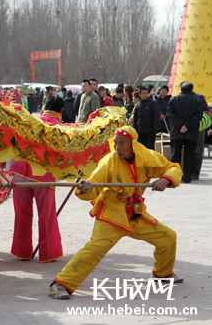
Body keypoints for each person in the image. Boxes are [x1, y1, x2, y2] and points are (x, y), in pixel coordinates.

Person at [49, 125, 183, 300]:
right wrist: (86, 187)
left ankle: (163, 275)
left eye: (122, 143)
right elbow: (93, 185)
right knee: (95, 249)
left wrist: (166, 179)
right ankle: (60, 284)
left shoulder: (147, 157)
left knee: (168, 237)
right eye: (115, 143)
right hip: (111, 215)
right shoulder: (109, 162)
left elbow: (173, 168)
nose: (117, 147)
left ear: (133, 144)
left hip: (135, 215)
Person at [7, 95, 65, 263]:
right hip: (43, 176)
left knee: (22, 214)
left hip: (19, 172)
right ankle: (48, 253)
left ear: (43, 106)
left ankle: (22, 252)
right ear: (61, 110)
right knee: (46, 215)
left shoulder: (28, 121)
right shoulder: (60, 128)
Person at [168, 82, 205, 183]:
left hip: (176, 132)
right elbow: (198, 116)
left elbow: (170, 114)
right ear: (191, 90)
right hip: (191, 132)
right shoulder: (197, 101)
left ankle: (173, 177)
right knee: (189, 155)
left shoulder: (173, 100)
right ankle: (187, 177)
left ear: (181, 89)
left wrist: (180, 125)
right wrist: (187, 126)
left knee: (175, 154)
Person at [132, 86, 161, 150]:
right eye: (143, 93)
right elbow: (135, 119)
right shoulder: (138, 105)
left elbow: (156, 116)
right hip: (141, 131)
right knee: (142, 148)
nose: (145, 95)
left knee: (150, 148)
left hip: (150, 130)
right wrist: (135, 129)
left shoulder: (152, 103)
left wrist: (155, 129)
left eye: (146, 93)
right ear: (139, 94)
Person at [191, 91, 210, 180]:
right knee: (191, 150)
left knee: (197, 150)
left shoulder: (199, 97)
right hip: (188, 127)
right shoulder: (179, 97)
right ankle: (190, 171)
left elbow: (207, 112)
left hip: (198, 127)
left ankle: (195, 171)